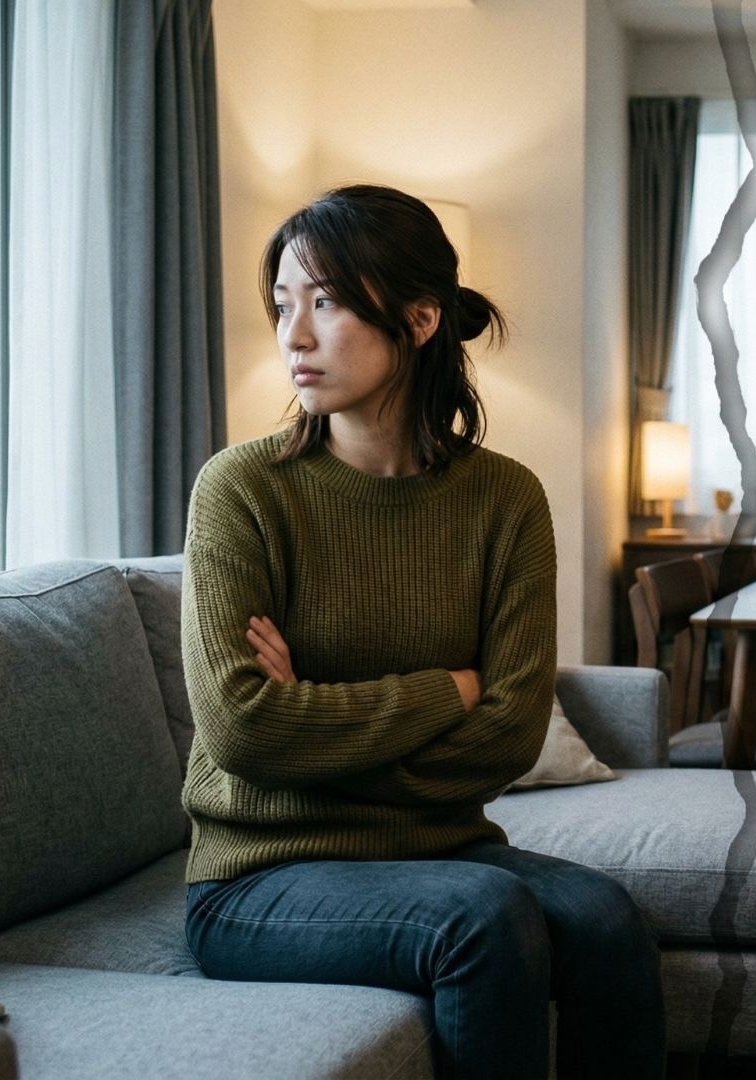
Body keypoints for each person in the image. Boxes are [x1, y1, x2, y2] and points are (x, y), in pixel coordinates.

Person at [179, 184, 665, 1078]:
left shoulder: (505, 499)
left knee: (605, 918)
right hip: (260, 878)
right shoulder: (241, 490)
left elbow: (512, 734)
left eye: (324, 303)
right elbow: (243, 728)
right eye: (284, 306)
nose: (293, 336)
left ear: (419, 319)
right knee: (481, 917)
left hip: (444, 849)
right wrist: (449, 689)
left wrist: (315, 722)